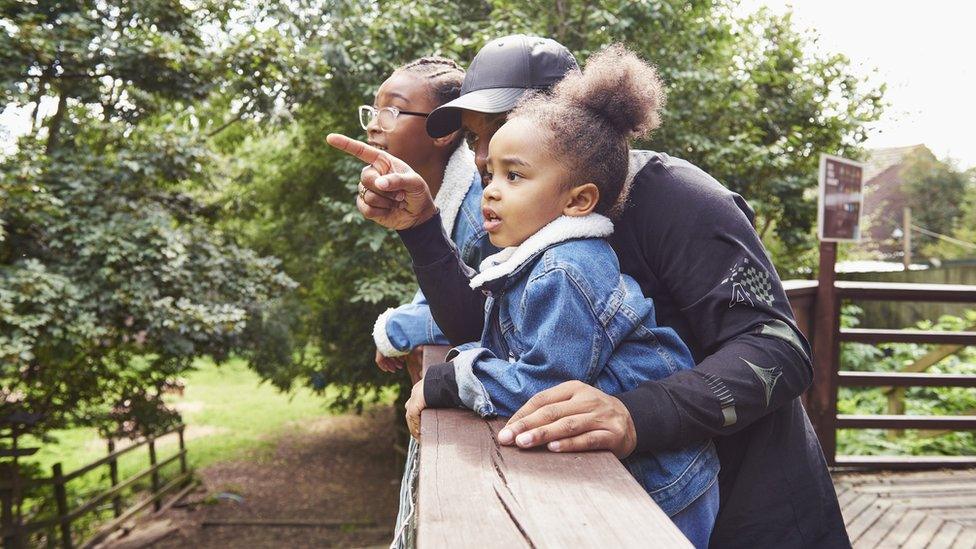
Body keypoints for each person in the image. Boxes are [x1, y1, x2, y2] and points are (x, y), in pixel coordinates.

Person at [328, 35, 849, 548]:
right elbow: (483, 328)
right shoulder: (530, 217)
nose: (484, 158)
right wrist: (421, 229)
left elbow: (779, 348)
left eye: (501, 128)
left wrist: (634, 414)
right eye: (473, 137)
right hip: (631, 510)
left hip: (757, 510)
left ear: (571, 120)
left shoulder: (677, 196)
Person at [410, 44, 720, 546]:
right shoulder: (536, 257)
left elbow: (545, 384)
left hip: (665, 488)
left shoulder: (566, 267)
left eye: (514, 175)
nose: (488, 187)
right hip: (622, 478)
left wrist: (449, 381)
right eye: (488, 173)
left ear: (578, 200)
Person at [361, 57, 497, 371]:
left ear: (444, 131)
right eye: (374, 110)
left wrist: (396, 329)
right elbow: (441, 281)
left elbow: (493, 313)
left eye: (391, 112)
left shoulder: (482, 217)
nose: (373, 124)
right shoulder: (437, 197)